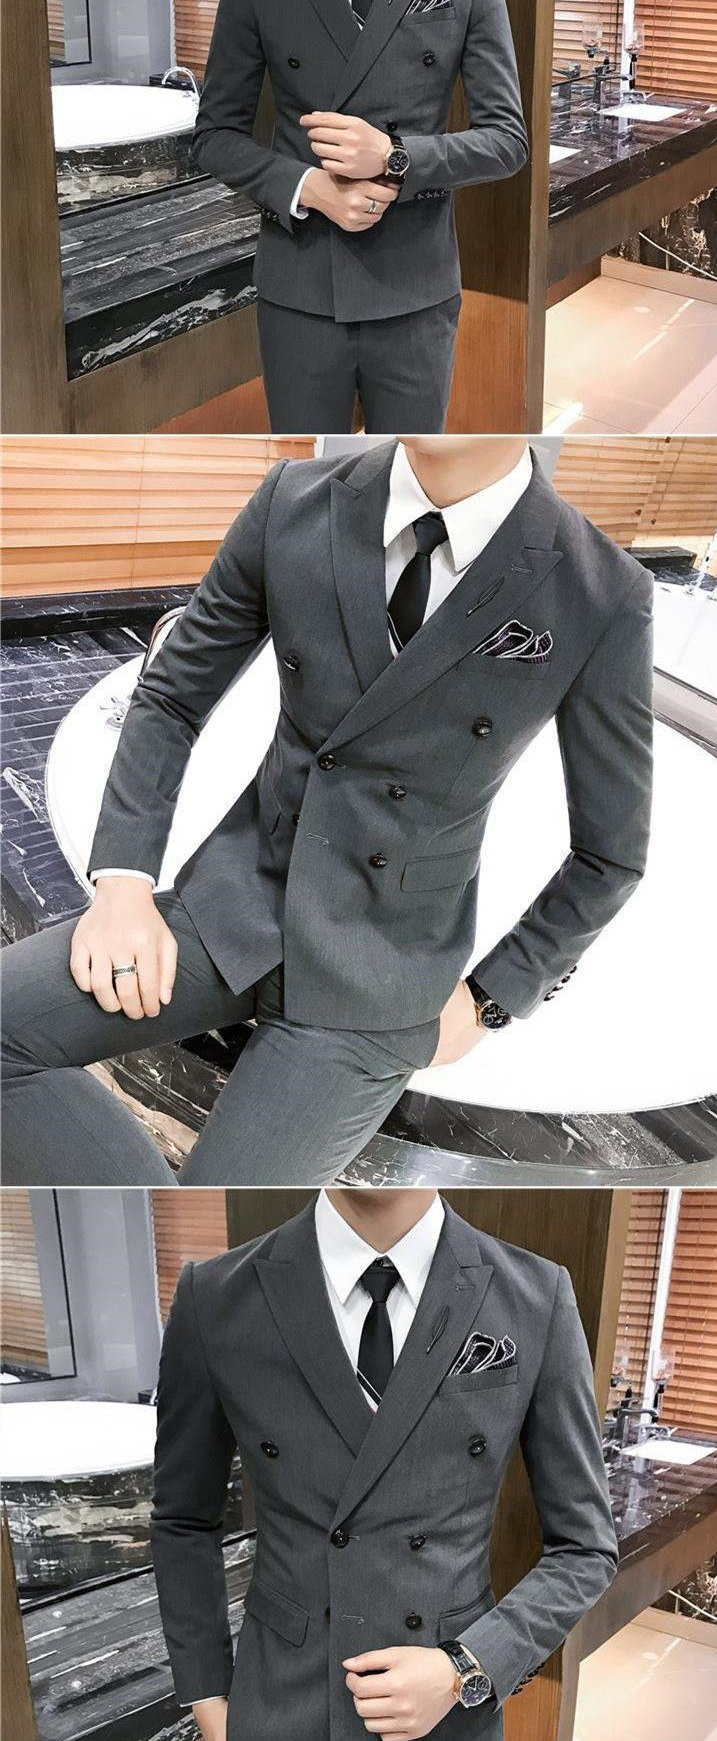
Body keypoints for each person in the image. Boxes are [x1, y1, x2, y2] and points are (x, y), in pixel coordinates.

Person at [1, 436, 654, 1191]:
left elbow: (611, 854)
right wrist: (122, 885)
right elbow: (172, 696)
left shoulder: (601, 588)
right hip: (238, 901)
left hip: (382, 969)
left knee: (220, 1227)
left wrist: (493, 998)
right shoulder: (294, 502)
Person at [150, 1184, 618, 1741]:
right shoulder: (219, 1296)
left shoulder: (533, 1294)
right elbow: (182, 1520)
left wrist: (466, 1668)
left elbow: (585, 1547)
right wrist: (210, 1706)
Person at [192, 0, 528, 430]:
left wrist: (395, 157)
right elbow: (214, 136)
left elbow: (506, 141)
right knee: (305, 474)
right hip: (299, 288)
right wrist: (306, 187)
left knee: (406, 469)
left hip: (415, 290)